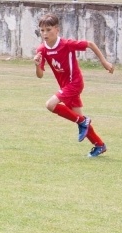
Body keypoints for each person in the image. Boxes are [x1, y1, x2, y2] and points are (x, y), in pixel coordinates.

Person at [34, 13, 114, 158]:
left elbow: (89, 44)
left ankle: (83, 121)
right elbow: (40, 75)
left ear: (57, 29)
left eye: (48, 29)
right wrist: (37, 64)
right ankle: (99, 145)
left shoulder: (66, 44)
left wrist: (104, 62)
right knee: (78, 118)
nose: (45, 33)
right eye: (42, 30)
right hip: (65, 87)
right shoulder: (41, 50)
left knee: (50, 105)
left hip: (75, 83)